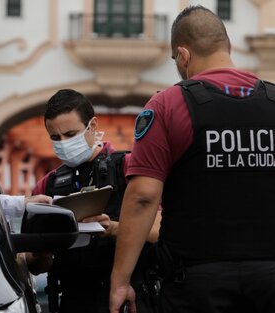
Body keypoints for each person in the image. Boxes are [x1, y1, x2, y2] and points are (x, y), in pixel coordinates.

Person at [109, 5, 275, 313]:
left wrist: (121, 281)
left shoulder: (168, 105)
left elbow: (143, 197)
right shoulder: (272, 100)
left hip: (198, 283)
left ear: (183, 55)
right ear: (226, 47)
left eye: (175, 60)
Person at [28, 89, 161, 313]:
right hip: (74, 299)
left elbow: (161, 231)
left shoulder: (128, 168)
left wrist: (114, 229)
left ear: (93, 126)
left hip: (133, 297)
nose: (63, 143)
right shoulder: (46, 187)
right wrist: (46, 245)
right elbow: (35, 265)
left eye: (71, 134)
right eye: (55, 137)